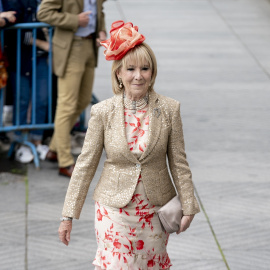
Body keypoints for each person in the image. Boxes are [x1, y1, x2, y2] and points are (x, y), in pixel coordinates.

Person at [58, 20, 200, 270]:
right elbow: (85, 165)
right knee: (115, 265)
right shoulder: (103, 111)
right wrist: (68, 215)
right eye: (130, 69)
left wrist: (189, 205)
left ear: (152, 72)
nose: (138, 75)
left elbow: (179, 162)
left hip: (154, 211)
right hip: (112, 208)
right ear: (118, 73)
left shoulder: (169, 109)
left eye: (145, 68)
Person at [37, 0, 107, 177]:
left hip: (90, 46)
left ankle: (54, 148)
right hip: (70, 48)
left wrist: (101, 30)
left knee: (83, 101)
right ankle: (65, 161)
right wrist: (74, 20)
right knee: (66, 106)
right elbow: (43, 13)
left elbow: (100, 9)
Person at [3, 0, 51, 163]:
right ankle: (20, 139)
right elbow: (18, 29)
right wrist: (43, 44)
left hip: (41, 59)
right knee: (22, 99)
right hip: (21, 57)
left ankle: (37, 139)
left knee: (42, 98)